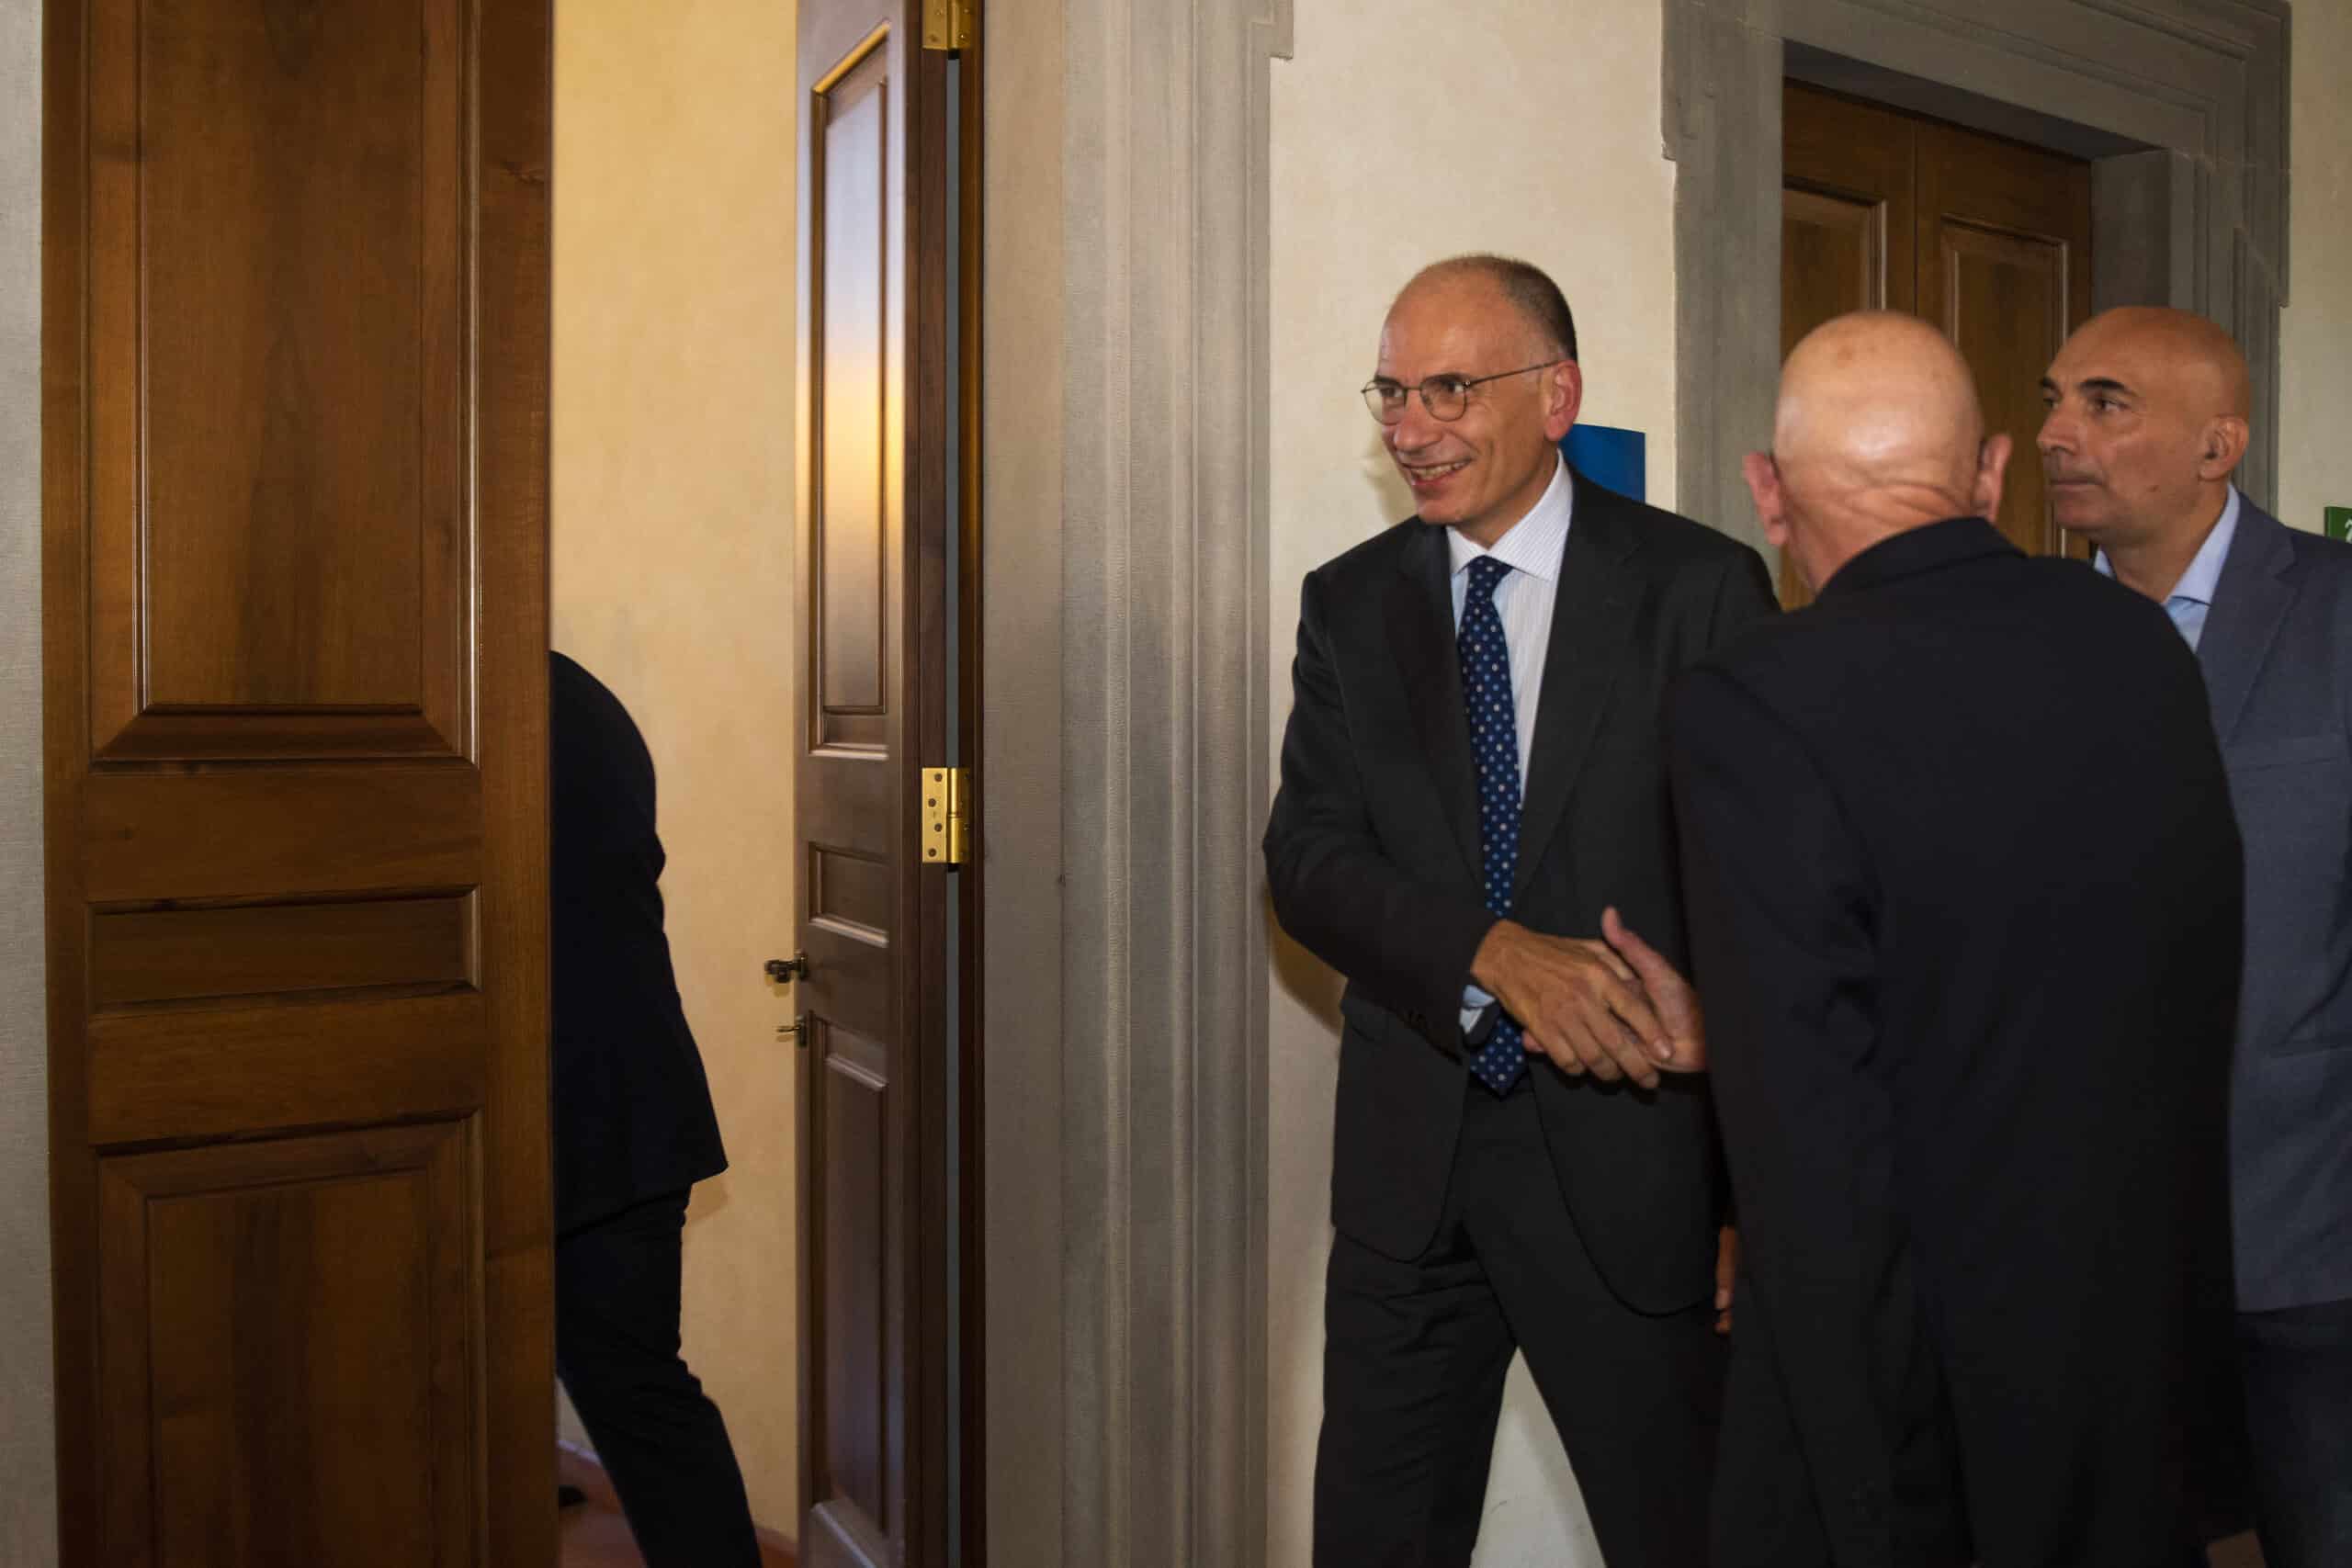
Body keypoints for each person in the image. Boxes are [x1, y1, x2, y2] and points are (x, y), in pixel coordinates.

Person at [1667, 311, 2245, 1567]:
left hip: (1920, 1419)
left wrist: (1877, 1501)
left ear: (1768, 495)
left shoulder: (1753, 701)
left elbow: (1811, 1154)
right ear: (1988, 473)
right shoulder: (2137, 642)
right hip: (2127, 1390)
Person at [1262, 254, 1777, 1567]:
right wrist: (1488, 952)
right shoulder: (1348, 602)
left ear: (1558, 396)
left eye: (1448, 388)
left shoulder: (1700, 590)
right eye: (1392, 391)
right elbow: (1306, 860)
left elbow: (1762, 908)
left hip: (1635, 1181)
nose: (1409, 427)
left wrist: (1748, 1201)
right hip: (1408, 1187)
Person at [2040, 306, 2352, 1568]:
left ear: (2218, 445)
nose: (2056, 430)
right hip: (2082, 1248)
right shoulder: (2019, 640)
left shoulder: (2337, 613)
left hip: (2311, 1237)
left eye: (2104, 402)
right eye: (2053, 397)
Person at [549, 650, 761, 1568]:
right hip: (635, 1105)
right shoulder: (583, 696)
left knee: (629, 1393)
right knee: (645, 1399)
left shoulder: (470, 713)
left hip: (561, 1110)